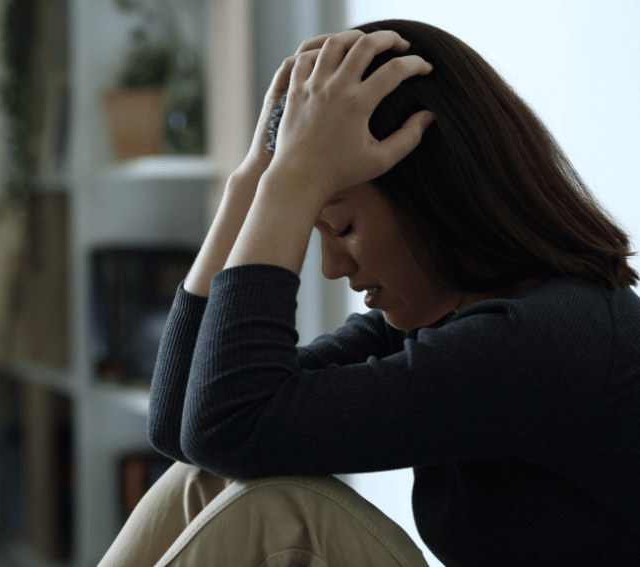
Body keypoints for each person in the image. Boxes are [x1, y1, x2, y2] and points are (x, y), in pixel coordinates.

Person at [98, 19, 640, 567]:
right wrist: (256, 177)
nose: (332, 268)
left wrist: (295, 182)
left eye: (345, 229)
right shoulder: (447, 314)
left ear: (437, 197)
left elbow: (227, 424)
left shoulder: (546, 340)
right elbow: (182, 427)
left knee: (284, 510)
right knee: (200, 481)